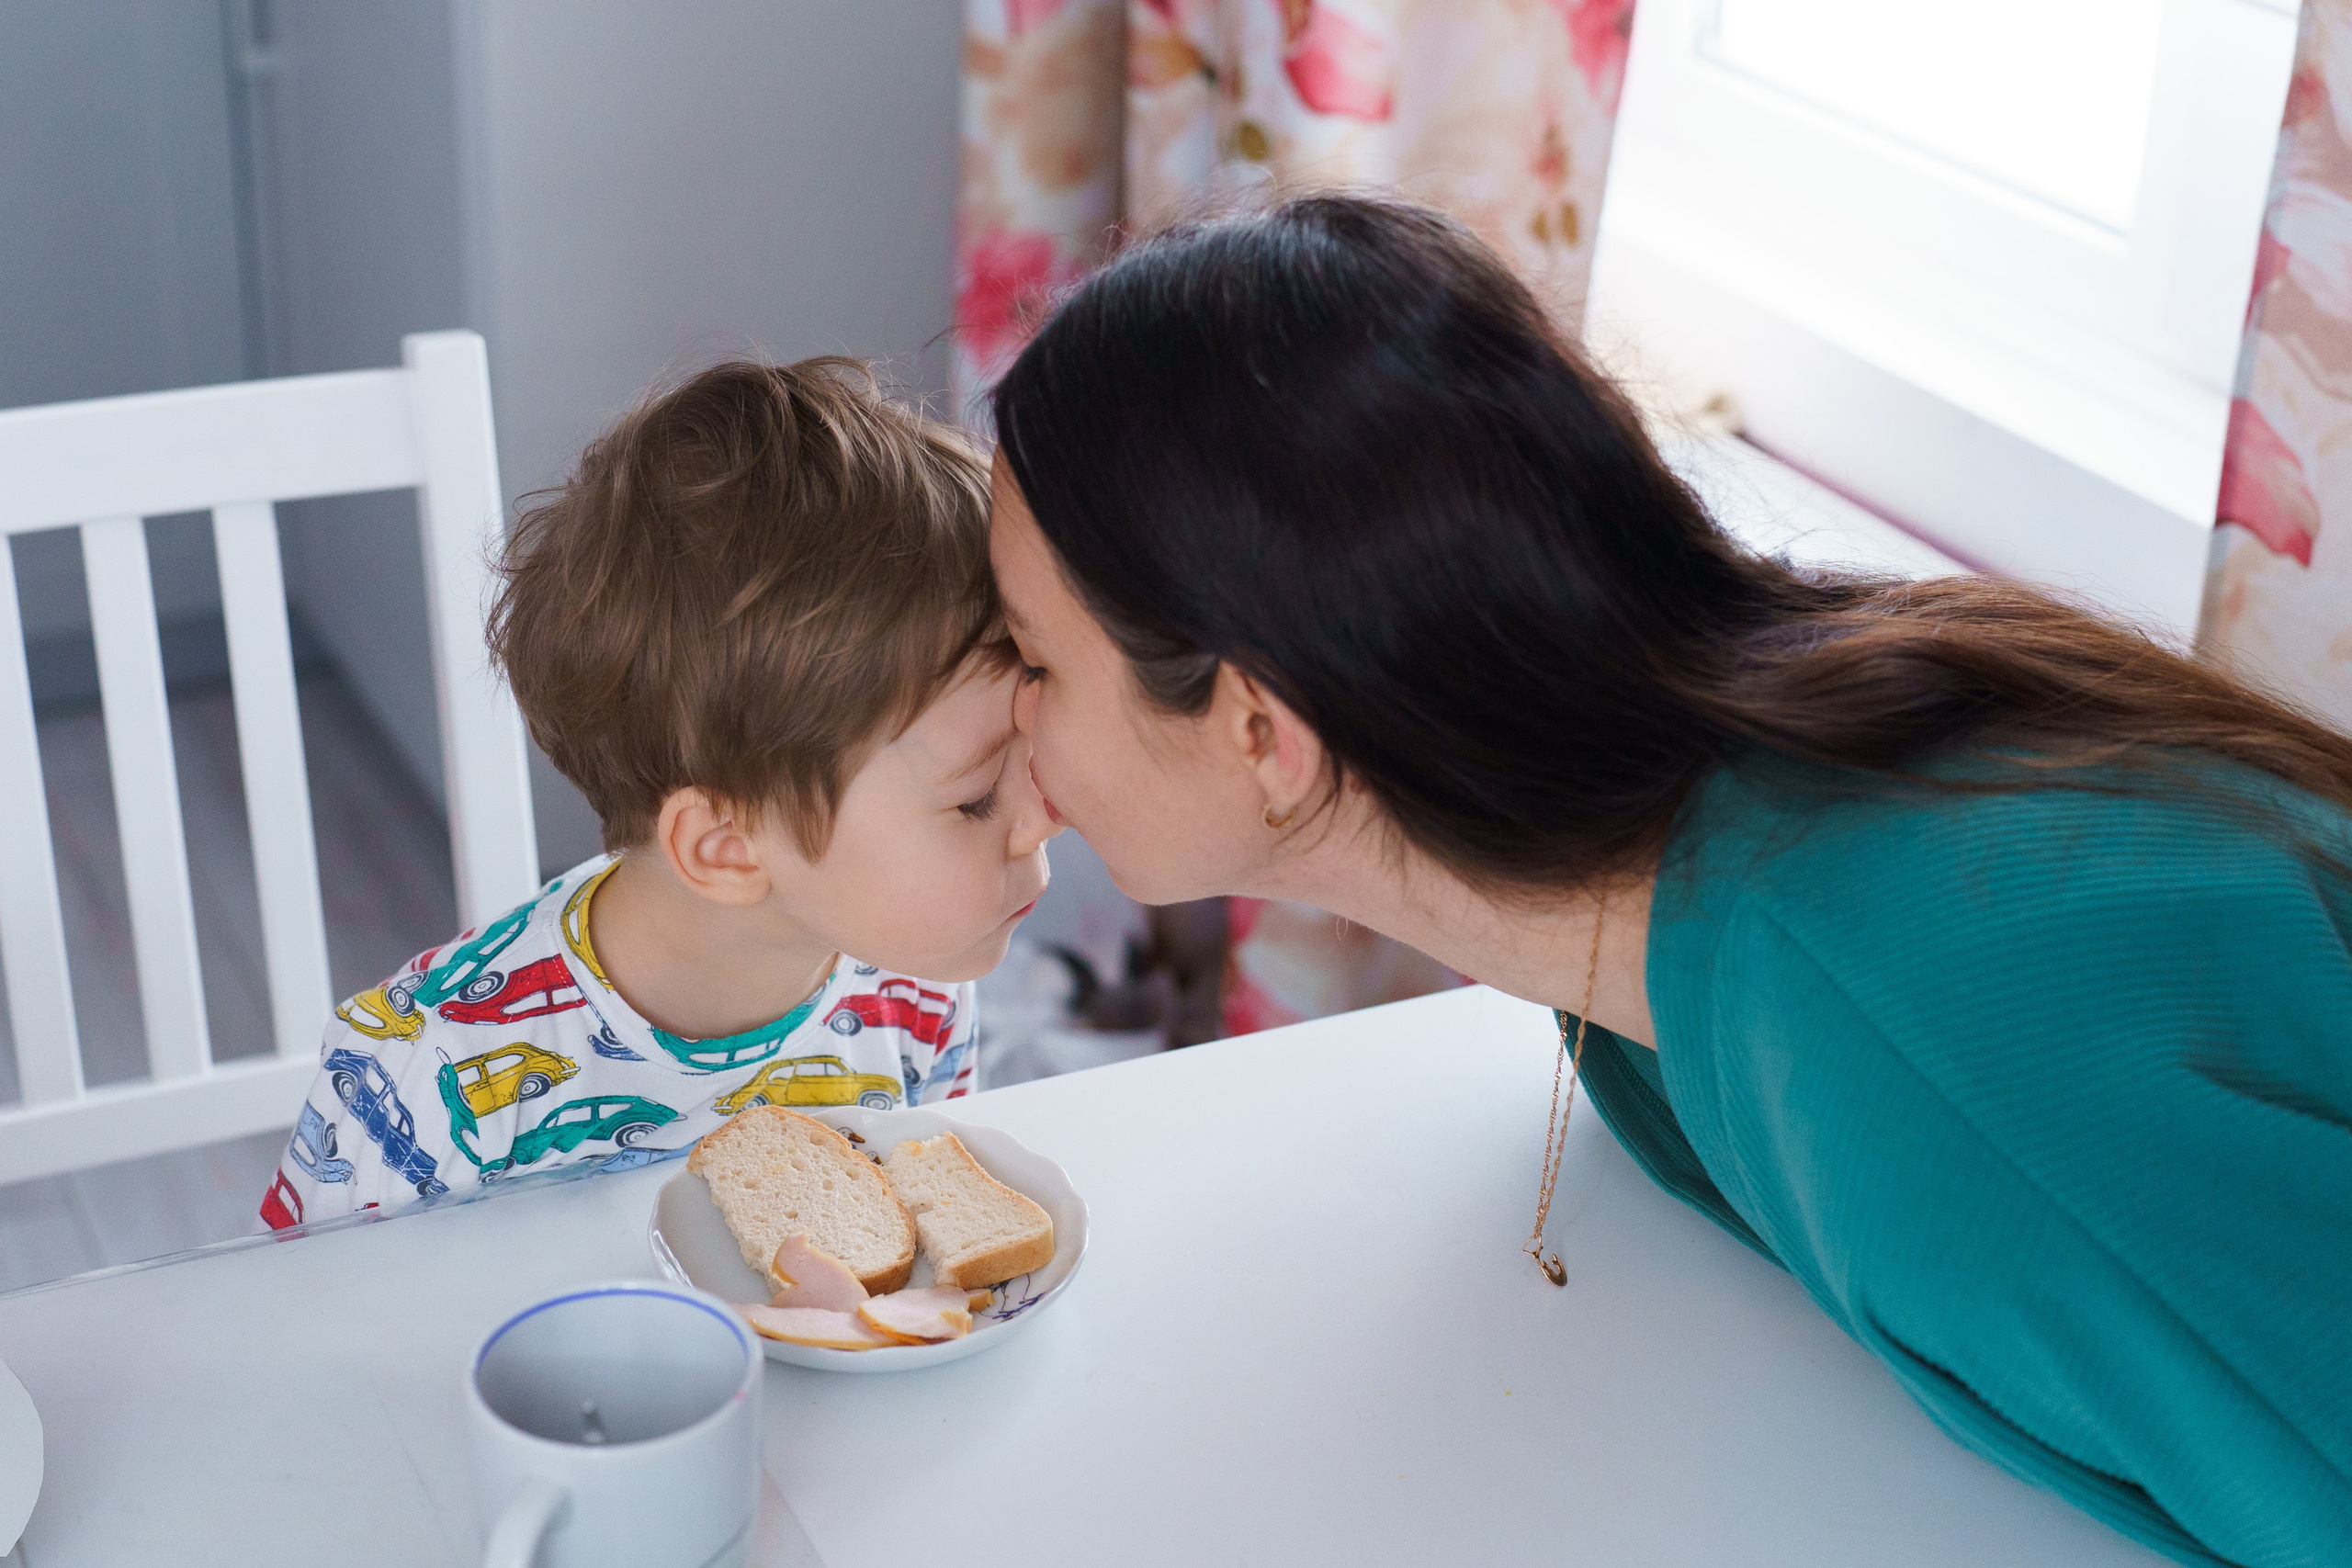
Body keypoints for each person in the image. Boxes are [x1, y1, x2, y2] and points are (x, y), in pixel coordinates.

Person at [985, 195, 2352, 1567]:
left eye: (1034, 658)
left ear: (1260, 733)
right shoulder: (1672, 869)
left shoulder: (1908, 1064)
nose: (1002, 712)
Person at [262, 359, 1057, 1227]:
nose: (1050, 808)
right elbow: (312, 1339)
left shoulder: (919, 985)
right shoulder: (422, 1078)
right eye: (978, 796)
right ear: (725, 847)